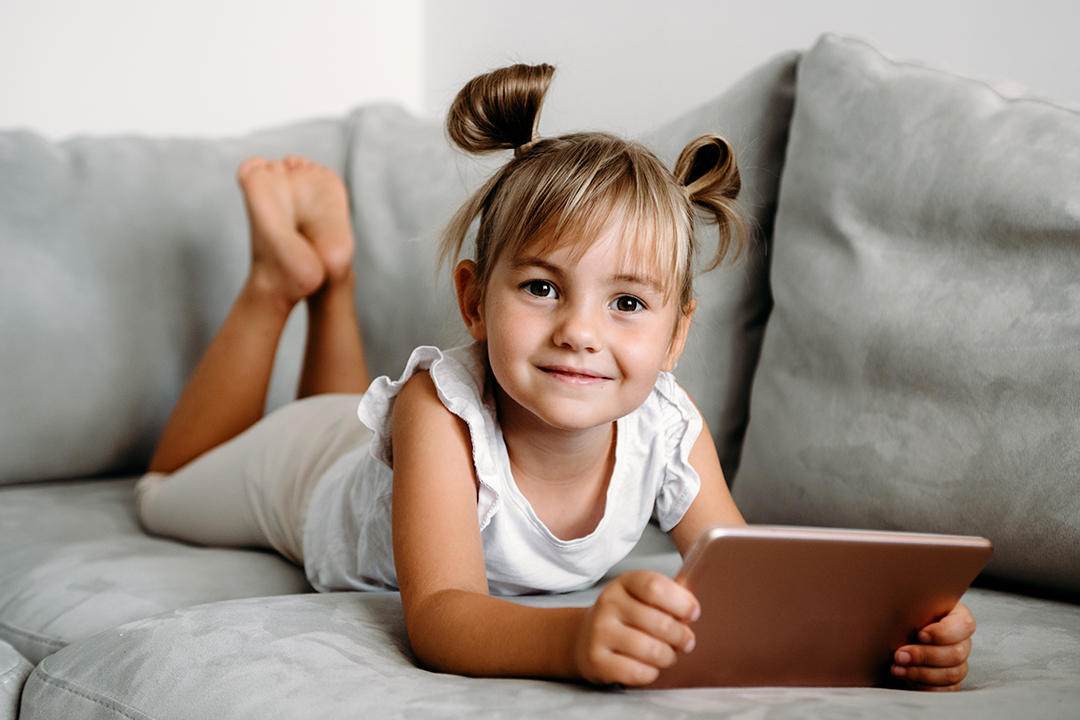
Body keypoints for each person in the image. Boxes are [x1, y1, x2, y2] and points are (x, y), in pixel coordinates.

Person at [136, 63, 975, 690]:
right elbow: (441, 616)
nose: (580, 332)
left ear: (677, 335)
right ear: (475, 300)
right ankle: (279, 284)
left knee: (329, 405)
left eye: (628, 303)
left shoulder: (668, 430)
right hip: (308, 481)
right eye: (542, 287)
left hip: (351, 443)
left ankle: (335, 280)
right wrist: (573, 640)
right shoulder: (440, 409)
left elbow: (748, 584)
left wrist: (897, 633)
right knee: (163, 492)